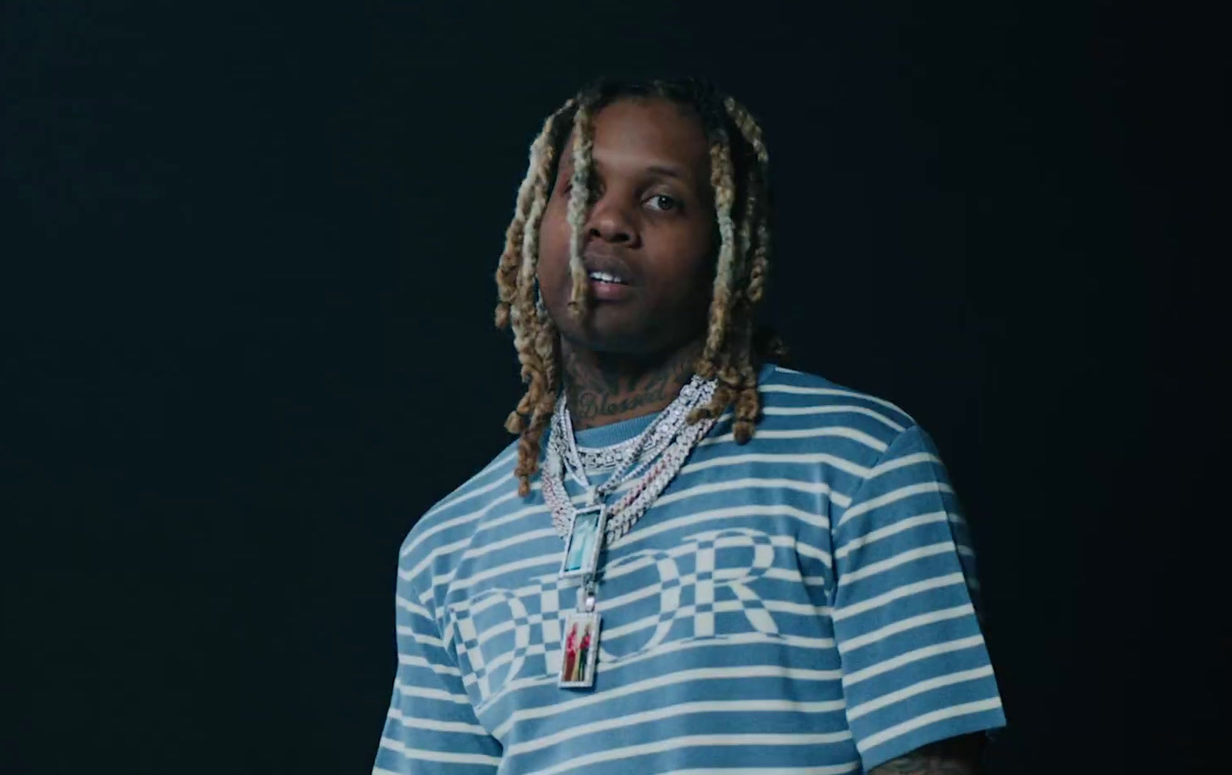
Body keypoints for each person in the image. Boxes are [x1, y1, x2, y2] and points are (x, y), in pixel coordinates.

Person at [374, 77, 1006, 774]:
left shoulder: (858, 463)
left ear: (727, 244)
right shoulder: (448, 544)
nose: (607, 221)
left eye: (662, 200)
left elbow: (931, 762)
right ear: (533, 223)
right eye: (579, 189)